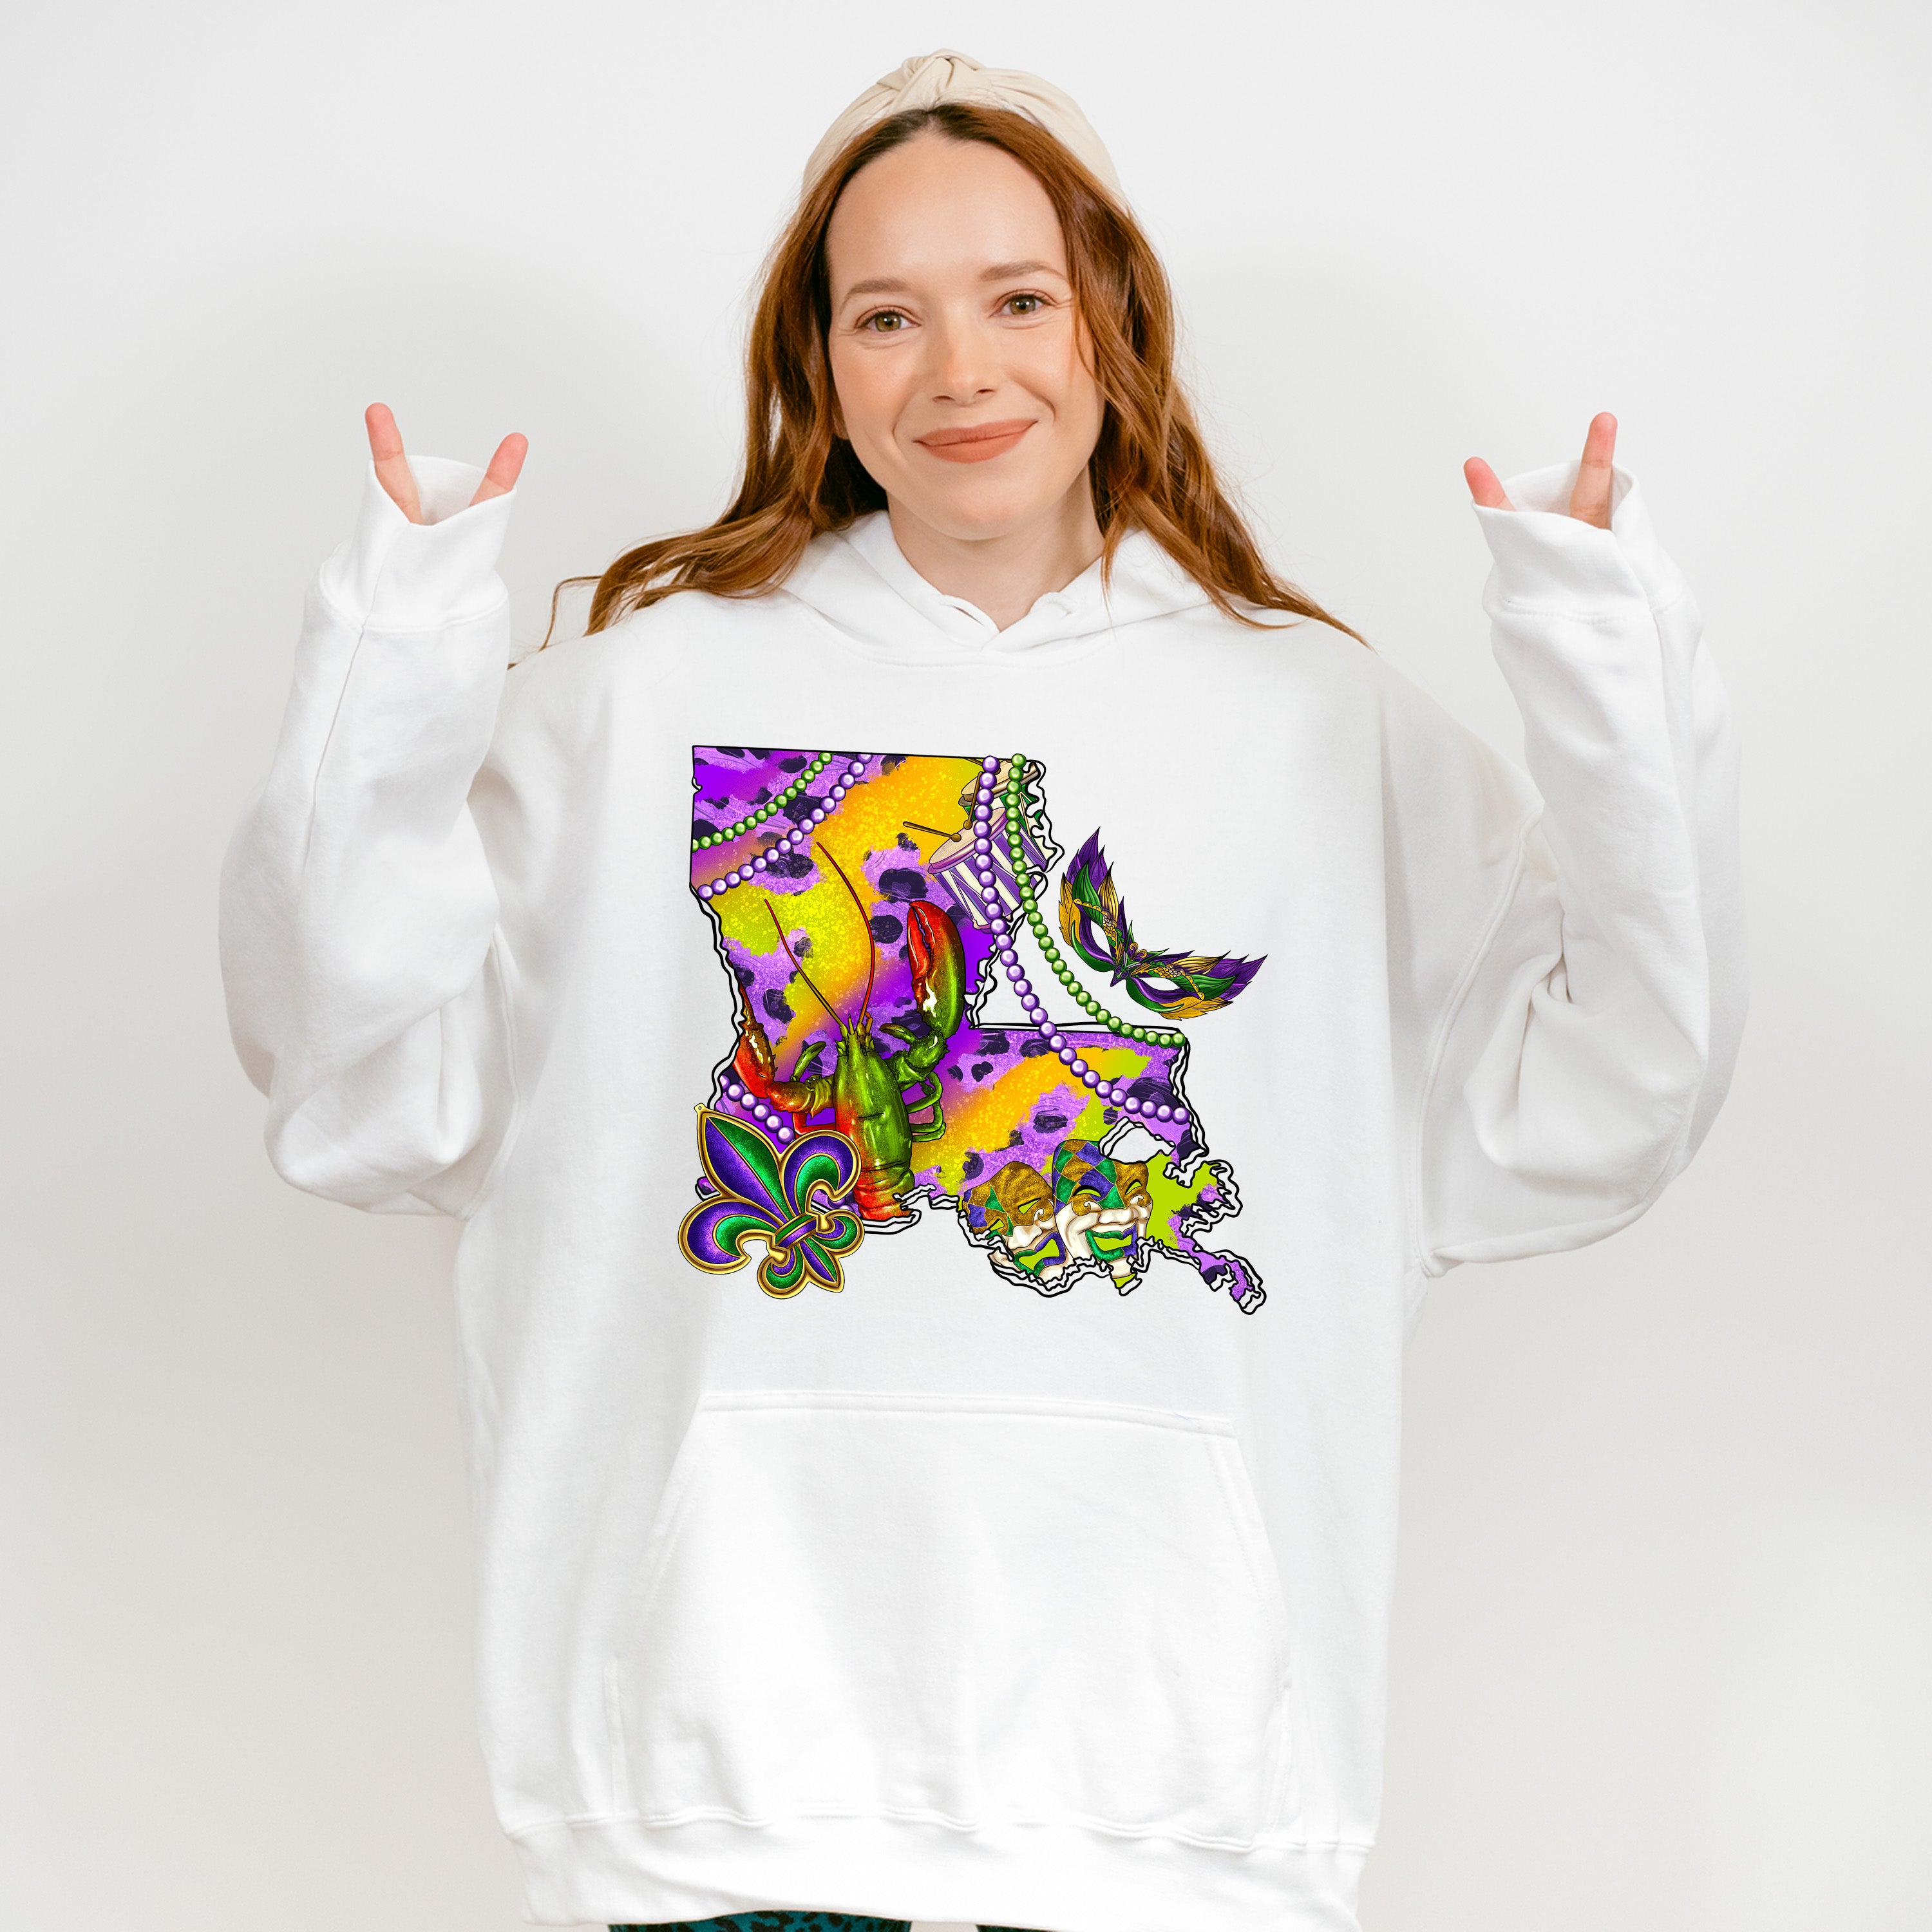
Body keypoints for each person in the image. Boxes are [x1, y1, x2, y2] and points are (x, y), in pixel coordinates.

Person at [219, 48, 1744, 1932]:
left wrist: (1608, 662)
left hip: (1180, 1807)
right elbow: (354, 1090)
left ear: (1112, 318)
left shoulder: (1322, 728)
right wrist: (390, 659)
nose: (960, 370)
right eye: (889, 314)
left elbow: (1613, 1103)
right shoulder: (629, 709)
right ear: (819, 359)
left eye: (1019, 298)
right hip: (724, 1795)